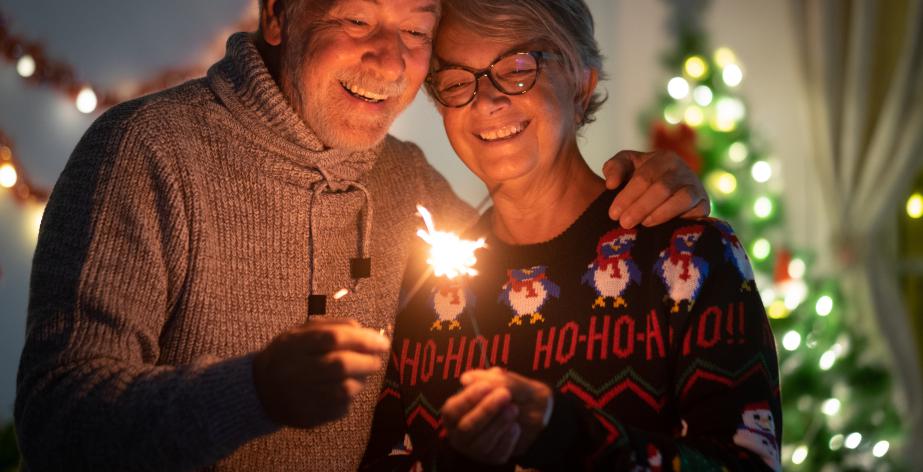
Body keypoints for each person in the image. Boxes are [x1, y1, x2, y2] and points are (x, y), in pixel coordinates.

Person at [14, 0, 709, 471]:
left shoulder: (406, 182)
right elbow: (56, 426)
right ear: (280, 14)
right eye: (355, 18)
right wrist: (255, 391)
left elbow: (523, 243)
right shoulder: (144, 151)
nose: (387, 59)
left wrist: (657, 184)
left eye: (414, 31)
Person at [360, 0, 782, 470]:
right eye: (458, 81)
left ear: (582, 84)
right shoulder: (425, 291)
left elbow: (745, 464)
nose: (488, 100)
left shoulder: (689, 258)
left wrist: (562, 432)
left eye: (519, 68)